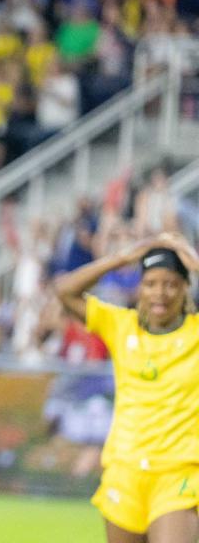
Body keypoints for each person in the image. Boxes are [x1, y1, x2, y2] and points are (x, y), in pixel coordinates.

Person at [53, 232, 199, 543]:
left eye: (171, 283)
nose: (160, 293)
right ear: (139, 287)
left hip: (178, 473)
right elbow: (64, 290)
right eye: (151, 283)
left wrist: (196, 263)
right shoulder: (120, 325)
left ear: (185, 288)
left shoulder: (196, 334)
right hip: (126, 470)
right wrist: (121, 258)